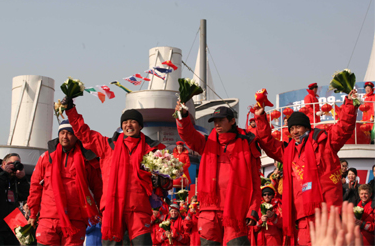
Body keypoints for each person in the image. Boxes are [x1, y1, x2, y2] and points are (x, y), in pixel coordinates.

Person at [254, 89, 359, 246]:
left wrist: (349, 103)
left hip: (327, 211)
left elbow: (344, 127)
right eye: (291, 129)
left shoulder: (325, 142)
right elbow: (267, 142)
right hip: (303, 214)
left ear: (306, 127)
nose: (295, 132)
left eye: (298, 127)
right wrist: (261, 117)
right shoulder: (288, 152)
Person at [65, 99, 166, 245]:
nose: (128, 125)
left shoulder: (152, 150)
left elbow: (170, 178)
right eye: (125, 122)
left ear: (140, 126)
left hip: (138, 208)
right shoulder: (108, 146)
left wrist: (163, 181)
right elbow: (84, 133)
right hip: (112, 208)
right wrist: (71, 110)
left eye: (133, 122)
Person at [175, 104, 261, 245]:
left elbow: (256, 182)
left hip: (235, 211)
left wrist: (253, 210)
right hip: (209, 211)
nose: (217, 124)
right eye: (215, 121)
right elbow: (188, 134)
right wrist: (183, 116)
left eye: (221, 120)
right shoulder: (207, 143)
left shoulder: (247, 144)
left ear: (232, 121)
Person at [27, 120, 103, 246]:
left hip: (76, 220)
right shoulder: (46, 157)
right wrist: (32, 214)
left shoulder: (87, 160)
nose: (65, 136)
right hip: (48, 219)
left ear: (76, 136)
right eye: (62, 133)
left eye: (69, 133)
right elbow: (35, 187)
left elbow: (98, 188)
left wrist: (104, 213)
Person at [0, 153, 30, 245]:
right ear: (4, 164)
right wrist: (4, 174)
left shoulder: (16, 180)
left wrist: (22, 179)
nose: (15, 166)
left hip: (11, 224)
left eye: (18, 163)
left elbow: (25, 195)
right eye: (12, 163)